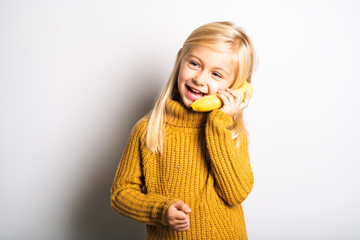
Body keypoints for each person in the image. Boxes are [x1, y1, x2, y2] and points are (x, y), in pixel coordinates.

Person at [110, 21, 256, 239]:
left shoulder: (231, 132)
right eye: (195, 64)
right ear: (180, 60)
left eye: (216, 75)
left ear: (235, 89)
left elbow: (236, 193)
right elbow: (121, 195)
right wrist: (161, 210)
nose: (199, 78)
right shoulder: (148, 130)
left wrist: (218, 125)